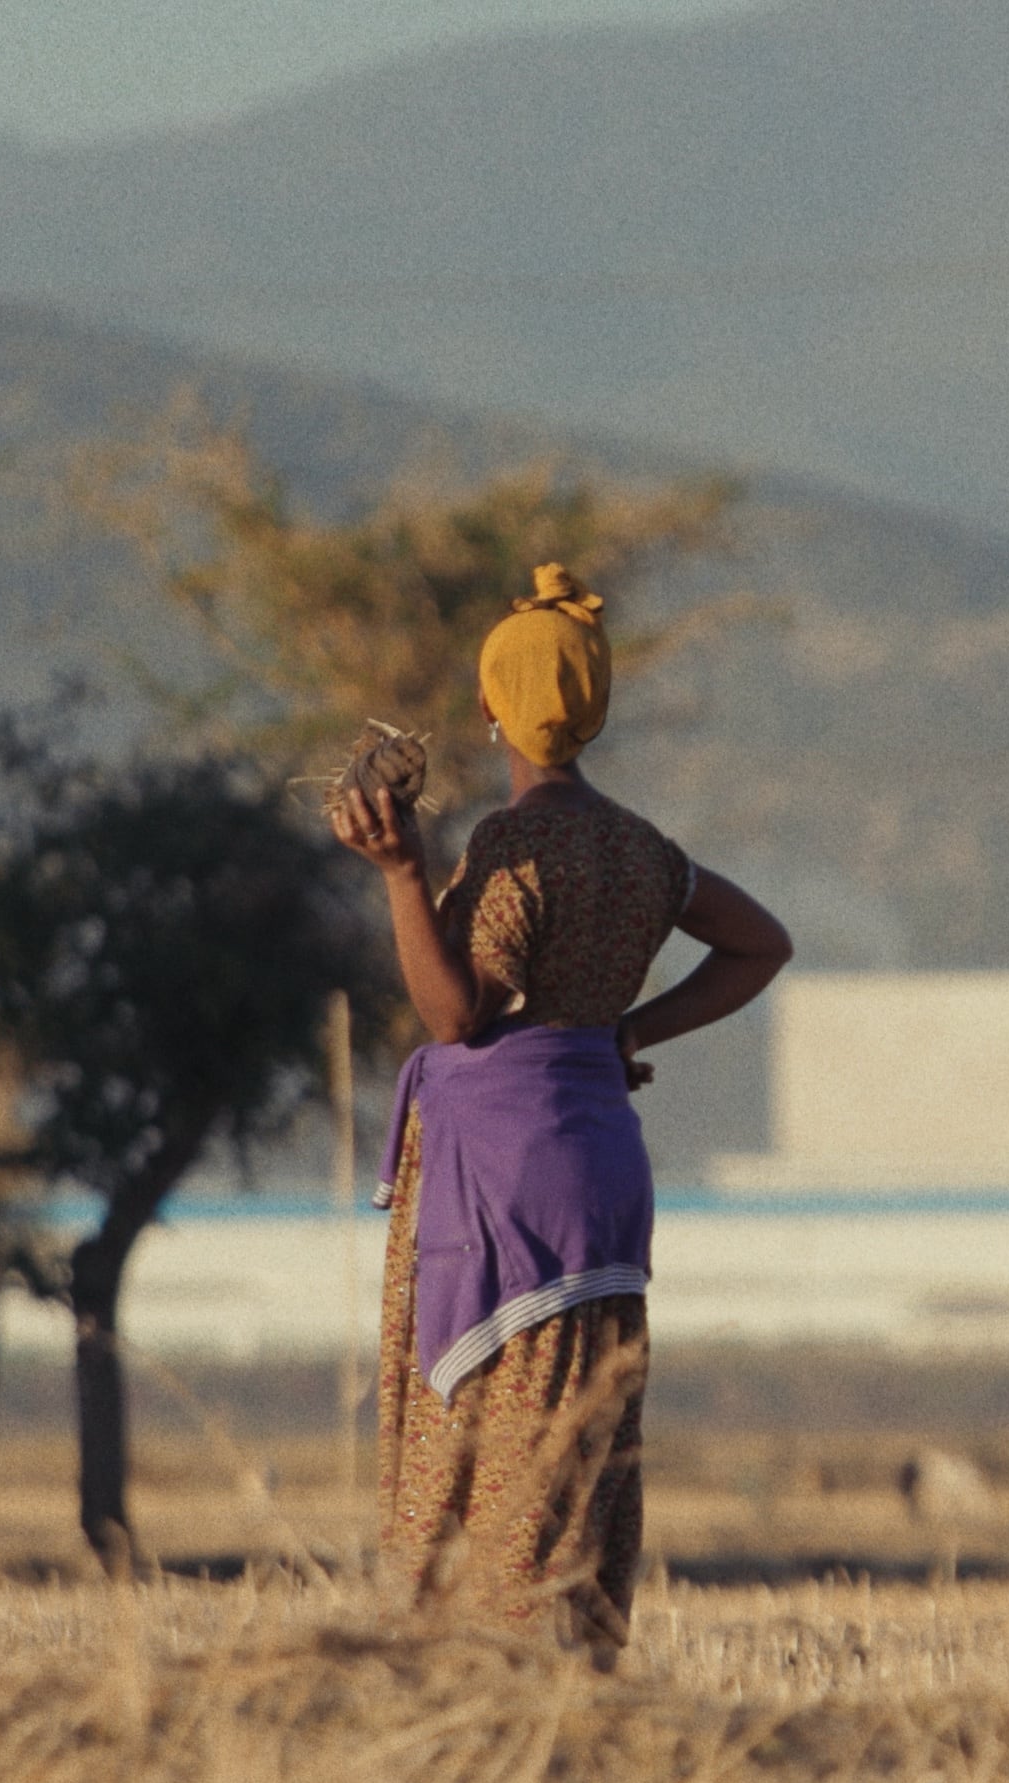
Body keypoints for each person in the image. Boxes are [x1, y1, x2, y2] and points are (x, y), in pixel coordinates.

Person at [331, 563, 789, 1662]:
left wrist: (401, 875)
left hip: (502, 1178)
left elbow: (453, 1014)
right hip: (600, 1168)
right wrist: (626, 1033)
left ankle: (479, 1665)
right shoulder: (643, 852)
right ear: (594, 709)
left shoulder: (510, 851)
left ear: (492, 709)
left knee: (485, 1427)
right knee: (575, 1428)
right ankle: (577, 1657)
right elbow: (759, 944)